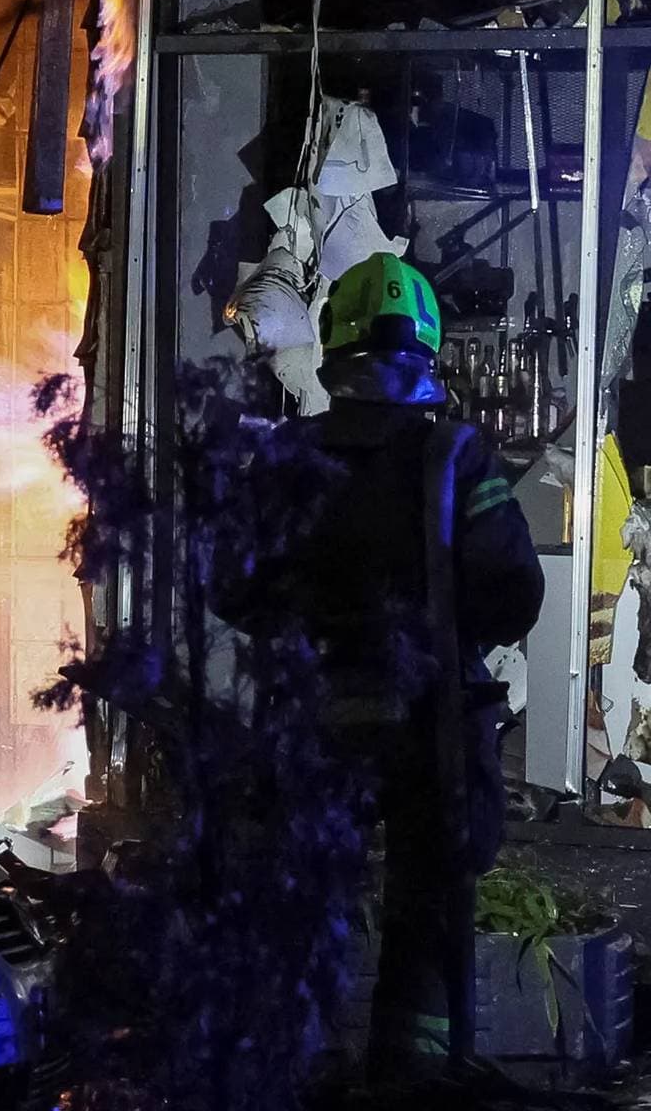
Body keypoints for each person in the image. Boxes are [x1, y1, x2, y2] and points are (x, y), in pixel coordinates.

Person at [216, 253, 543, 1082]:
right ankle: (413, 1078)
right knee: (428, 909)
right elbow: (513, 592)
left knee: (307, 897)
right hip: (431, 723)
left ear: (334, 348)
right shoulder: (459, 458)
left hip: (310, 721)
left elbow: (228, 587)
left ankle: (306, 1067)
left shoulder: (285, 457)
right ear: (428, 352)